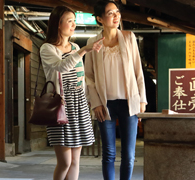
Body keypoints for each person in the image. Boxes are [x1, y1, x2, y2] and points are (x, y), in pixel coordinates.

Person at [39, 6, 104, 180]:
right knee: (65, 162)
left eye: (74, 21)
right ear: (58, 24)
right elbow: (61, 67)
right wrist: (83, 50)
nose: (73, 25)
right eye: (70, 21)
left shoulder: (74, 46)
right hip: (60, 104)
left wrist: (86, 99)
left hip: (78, 103)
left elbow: (80, 77)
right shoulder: (48, 48)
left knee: (76, 161)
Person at [85, 1, 147, 180]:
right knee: (108, 153)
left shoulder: (128, 37)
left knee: (128, 155)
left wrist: (142, 100)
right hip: (105, 105)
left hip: (129, 103)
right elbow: (88, 76)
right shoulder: (92, 42)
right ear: (100, 18)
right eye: (110, 13)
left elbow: (138, 70)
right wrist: (95, 103)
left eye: (117, 12)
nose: (116, 16)